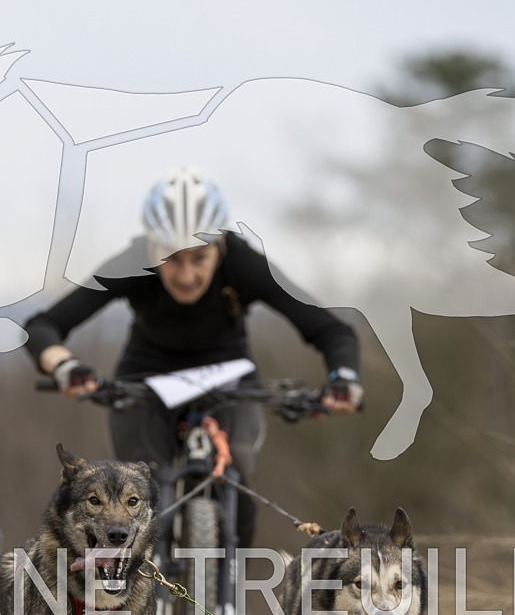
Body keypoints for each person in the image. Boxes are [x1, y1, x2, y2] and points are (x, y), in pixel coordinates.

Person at [24, 167, 363, 558]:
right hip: (145, 380)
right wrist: (66, 366)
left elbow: (333, 331)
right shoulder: (131, 262)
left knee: (236, 476)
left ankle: (230, 586)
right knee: (140, 486)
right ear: (151, 249)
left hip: (231, 381)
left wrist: (343, 379)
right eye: (171, 258)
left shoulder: (244, 264)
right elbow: (42, 327)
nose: (186, 275)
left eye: (199, 258)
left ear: (220, 246)